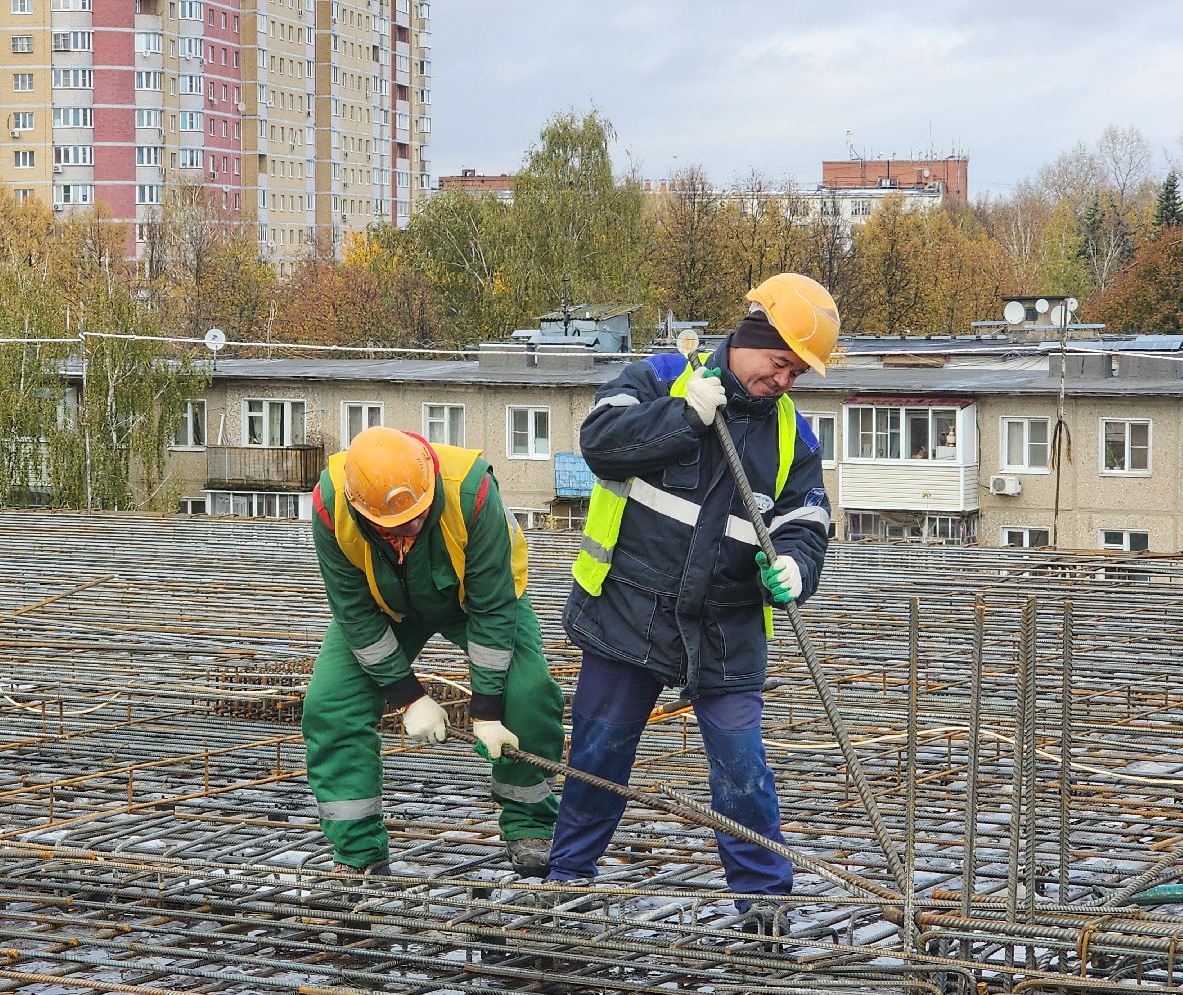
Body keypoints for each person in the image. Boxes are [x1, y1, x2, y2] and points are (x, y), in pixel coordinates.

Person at [546, 272, 839, 933]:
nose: (786, 380)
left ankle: (764, 905)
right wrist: (683, 416)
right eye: (781, 363)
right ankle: (568, 880)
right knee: (599, 754)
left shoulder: (794, 437)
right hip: (630, 609)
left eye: (798, 372)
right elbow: (602, 446)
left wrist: (798, 563)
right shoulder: (658, 377)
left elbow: (809, 519)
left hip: (727, 625)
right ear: (752, 340)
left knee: (741, 767)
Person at [302, 426, 565, 879]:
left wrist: (485, 712)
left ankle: (530, 826)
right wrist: (408, 697)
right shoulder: (331, 504)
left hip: (474, 598)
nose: (412, 527)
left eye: (419, 515)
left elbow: (492, 609)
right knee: (330, 707)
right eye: (396, 525)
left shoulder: (471, 491)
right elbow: (353, 611)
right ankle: (358, 854)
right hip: (382, 605)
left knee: (527, 694)